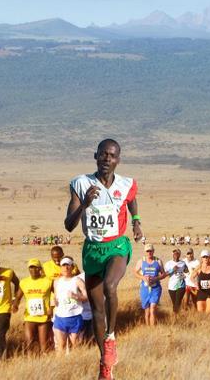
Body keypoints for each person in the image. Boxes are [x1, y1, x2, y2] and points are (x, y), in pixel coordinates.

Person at [63, 139, 142, 380]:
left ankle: (111, 338)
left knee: (110, 285)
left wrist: (136, 221)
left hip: (117, 246)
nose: (107, 159)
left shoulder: (127, 184)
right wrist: (84, 204)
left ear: (118, 159)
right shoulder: (81, 183)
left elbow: (131, 201)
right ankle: (104, 363)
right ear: (95, 156)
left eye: (112, 155)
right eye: (103, 154)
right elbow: (68, 225)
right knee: (97, 309)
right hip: (92, 250)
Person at [13, 259, 53, 354]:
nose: (33, 270)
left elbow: (57, 295)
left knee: (44, 345)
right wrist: (15, 304)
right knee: (29, 342)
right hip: (29, 317)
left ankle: (44, 362)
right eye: (31, 267)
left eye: (35, 267)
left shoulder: (48, 281)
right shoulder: (24, 282)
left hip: (43, 318)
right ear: (28, 269)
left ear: (40, 268)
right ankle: (30, 361)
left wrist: (51, 308)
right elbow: (18, 296)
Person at [53, 256, 88, 355]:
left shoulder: (77, 281)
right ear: (60, 267)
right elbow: (56, 297)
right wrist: (54, 301)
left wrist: (76, 296)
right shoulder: (56, 282)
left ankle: (76, 366)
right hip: (60, 318)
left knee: (76, 346)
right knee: (61, 346)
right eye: (63, 266)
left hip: (75, 317)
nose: (65, 268)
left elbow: (86, 297)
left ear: (72, 267)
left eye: (68, 265)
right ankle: (59, 368)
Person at [133, 244, 166, 325]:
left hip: (156, 288)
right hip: (144, 288)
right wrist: (143, 277)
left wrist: (156, 278)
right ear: (145, 252)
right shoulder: (141, 261)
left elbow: (163, 274)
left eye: (150, 251)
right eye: (147, 251)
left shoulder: (158, 261)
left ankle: (152, 328)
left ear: (153, 251)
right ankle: (148, 328)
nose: (149, 253)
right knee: (147, 310)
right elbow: (134, 272)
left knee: (153, 308)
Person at [164, 248, 188, 314]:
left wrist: (185, 274)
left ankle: (175, 317)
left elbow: (187, 271)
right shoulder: (168, 263)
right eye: (174, 253)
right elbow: (165, 274)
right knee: (174, 303)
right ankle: (177, 316)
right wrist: (172, 270)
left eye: (177, 253)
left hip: (181, 285)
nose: (176, 255)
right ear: (172, 254)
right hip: (171, 286)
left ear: (179, 255)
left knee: (177, 302)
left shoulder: (183, 263)